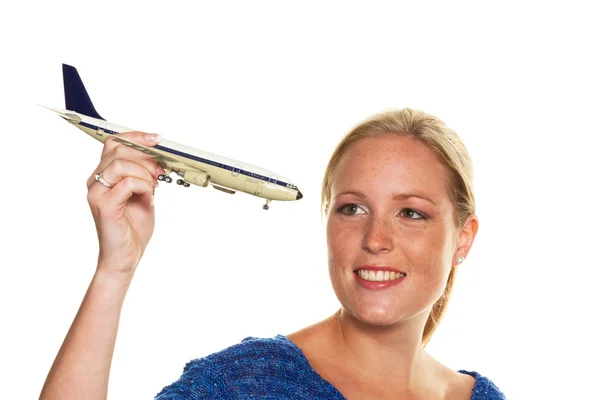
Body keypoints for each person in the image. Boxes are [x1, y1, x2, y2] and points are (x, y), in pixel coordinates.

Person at [40, 108, 505, 399]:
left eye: (411, 213)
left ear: (463, 238)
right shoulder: (253, 383)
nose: (375, 238)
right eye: (353, 208)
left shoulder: (479, 397)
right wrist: (114, 270)